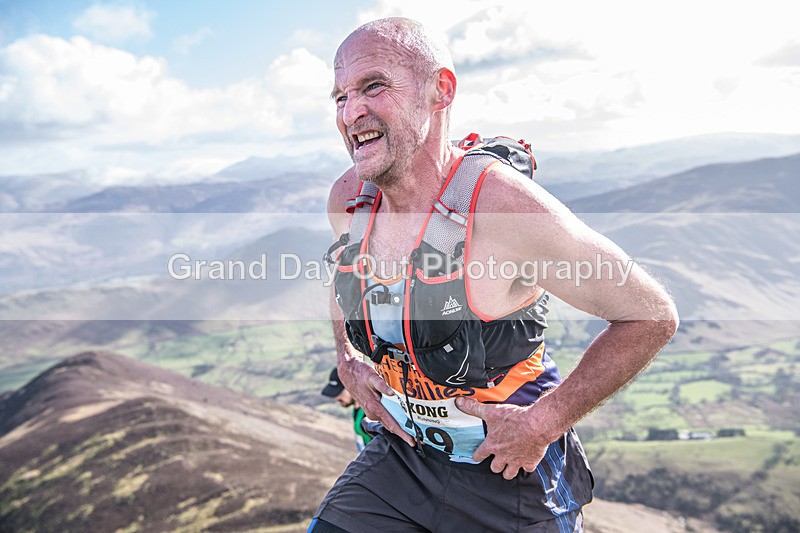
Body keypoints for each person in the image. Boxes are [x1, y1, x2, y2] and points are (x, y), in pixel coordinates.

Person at [309, 17, 679, 533]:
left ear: (440, 90)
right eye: (340, 96)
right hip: (403, 460)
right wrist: (347, 360)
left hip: (510, 473)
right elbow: (344, 274)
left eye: (374, 86)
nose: (351, 112)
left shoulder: (503, 210)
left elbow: (650, 315)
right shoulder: (350, 200)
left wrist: (543, 423)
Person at [321, 367, 373, 451]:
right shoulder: (357, 409)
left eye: (340, 392)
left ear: (352, 386)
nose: (337, 398)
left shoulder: (371, 413)